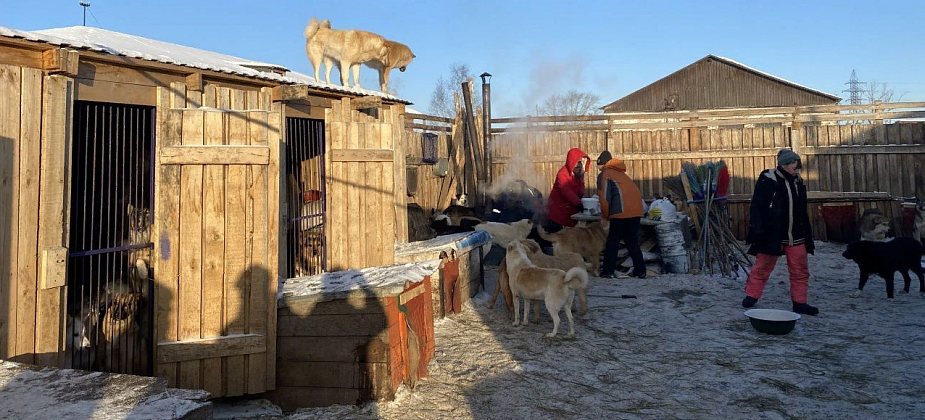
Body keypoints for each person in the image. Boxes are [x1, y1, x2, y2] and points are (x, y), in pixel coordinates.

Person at [742, 148, 819, 315]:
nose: (797, 170)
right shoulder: (768, 180)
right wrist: (758, 230)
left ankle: (800, 303)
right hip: (772, 235)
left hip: (796, 235)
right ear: (784, 165)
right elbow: (757, 207)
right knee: (762, 267)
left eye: (798, 167)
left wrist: (806, 232)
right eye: (794, 166)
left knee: (800, 270)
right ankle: (751, 295)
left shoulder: (798, 182)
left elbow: (801, 210)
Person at [598, 156, 646, 279]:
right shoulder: (622, 174)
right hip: (637, 211)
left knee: (612, 241)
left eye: (598, 166)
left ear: (602, 164)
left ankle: (608, 271)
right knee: (632, 242)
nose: (598, 169)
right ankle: (640, 271)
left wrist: (604, 216)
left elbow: (604, 199)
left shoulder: (606, 174)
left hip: (620, 212)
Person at [544, 148, 590, 233]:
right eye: (576, 166)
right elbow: (566, 191)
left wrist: (580, 194)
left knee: (568, 234)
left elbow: (581, 185)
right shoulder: (562, 174)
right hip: (558, 210)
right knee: (555, 233)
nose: (578, 168)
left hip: (569, 209)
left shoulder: (578, 174)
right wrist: (578, 202)